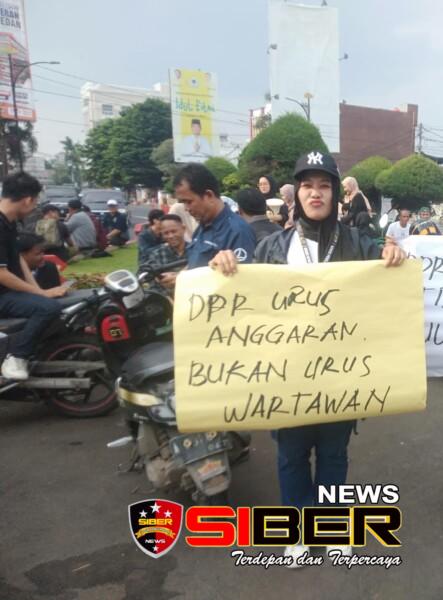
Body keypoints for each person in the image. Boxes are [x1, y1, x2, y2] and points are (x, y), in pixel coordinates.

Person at [208, 151, 405, 566]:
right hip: (286, 380)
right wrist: (223, 265)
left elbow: (388, 288)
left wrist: (394, 256)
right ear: (296, 194)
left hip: (340, 379)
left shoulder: (358, 244)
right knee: (291, 457)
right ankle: (297, 530)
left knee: (334, 456)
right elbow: (245, 301)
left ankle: (331, 526)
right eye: (307, 186)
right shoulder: (271, 247)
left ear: (336, 194)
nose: (316, 193)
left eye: (324, 186)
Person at [0, 172, 66, 380]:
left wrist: (39, 291)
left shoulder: (9, 222)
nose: (35, 206)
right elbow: (1, 274)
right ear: (28, 199)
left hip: (7, 292)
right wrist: (42, 295)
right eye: (36, 201)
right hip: (2, 294)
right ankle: (16, 358)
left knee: (50, 301)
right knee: (48, 307)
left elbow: (17, 258)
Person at [173, 163, 255, 268]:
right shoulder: (202, 227)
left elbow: (241, 275)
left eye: (189, 202)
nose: (186, 208)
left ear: (209, 195)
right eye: (183, 203)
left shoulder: (238, 231)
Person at [143, 214, 189, 296]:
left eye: (174, 231)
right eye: (166, 233)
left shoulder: (196, 250)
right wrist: (159, 280)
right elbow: (150, 282)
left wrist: (179, 278)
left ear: (183, 228)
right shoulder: (157, 254)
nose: (170, 236)